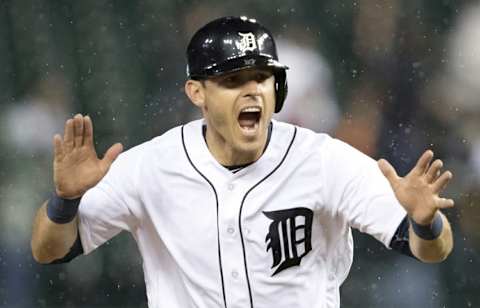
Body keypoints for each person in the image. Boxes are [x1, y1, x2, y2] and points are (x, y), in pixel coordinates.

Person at [31, 16, 455, 308]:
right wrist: (66, 201)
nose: (252, 90)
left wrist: (425, 222)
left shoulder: (323, 159)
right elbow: (49, 249)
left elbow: (432, 249)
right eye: (232, 80)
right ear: (196, 92)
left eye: (262, 78)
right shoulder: (150, 166)